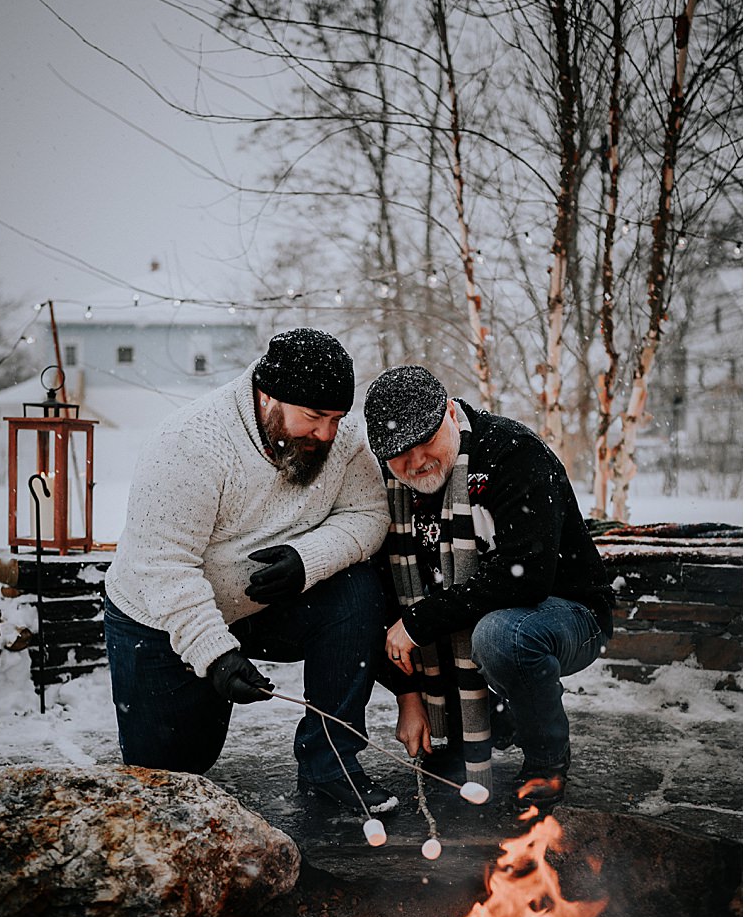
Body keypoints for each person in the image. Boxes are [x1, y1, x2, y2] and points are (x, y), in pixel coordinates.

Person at [104, 328, 398, 815]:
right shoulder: (190, 444)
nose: (327, 434)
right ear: (268, 396)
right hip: (158, 619)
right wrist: (216, 655)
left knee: (356, 591)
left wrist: (309, 560)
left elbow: (369, 513)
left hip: (263, 604)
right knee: (170, 776)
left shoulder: (340, 441)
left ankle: (331, 768)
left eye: (336, 418)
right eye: (314, 418)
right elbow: (163, 568)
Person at [364, 365, 614, 813]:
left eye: (426, 440)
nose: (416, 460)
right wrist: (408, 697)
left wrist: (421, 621)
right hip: (479, 616)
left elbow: (526, 574)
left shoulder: (513, 453)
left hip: (568, 612)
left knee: (502, 637)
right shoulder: (390, 491)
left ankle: (545, 756)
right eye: (399, 454)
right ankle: (493, 718)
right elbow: (382, 596)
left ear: (450, 412)